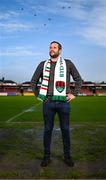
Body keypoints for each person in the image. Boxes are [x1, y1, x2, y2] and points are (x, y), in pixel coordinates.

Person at [31, 41, 82, 167]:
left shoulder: (67, 63)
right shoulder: (43, 64)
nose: (51, 49)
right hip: (48, 102)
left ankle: (67, 156)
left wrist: (74, 93)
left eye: (54, 47)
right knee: (48, 129)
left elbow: (78, 79)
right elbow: (33, 82)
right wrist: (40, 96)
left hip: (64, 103)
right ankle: (46, 157)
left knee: (65, 129)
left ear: (60, 50)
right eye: (50, 47)